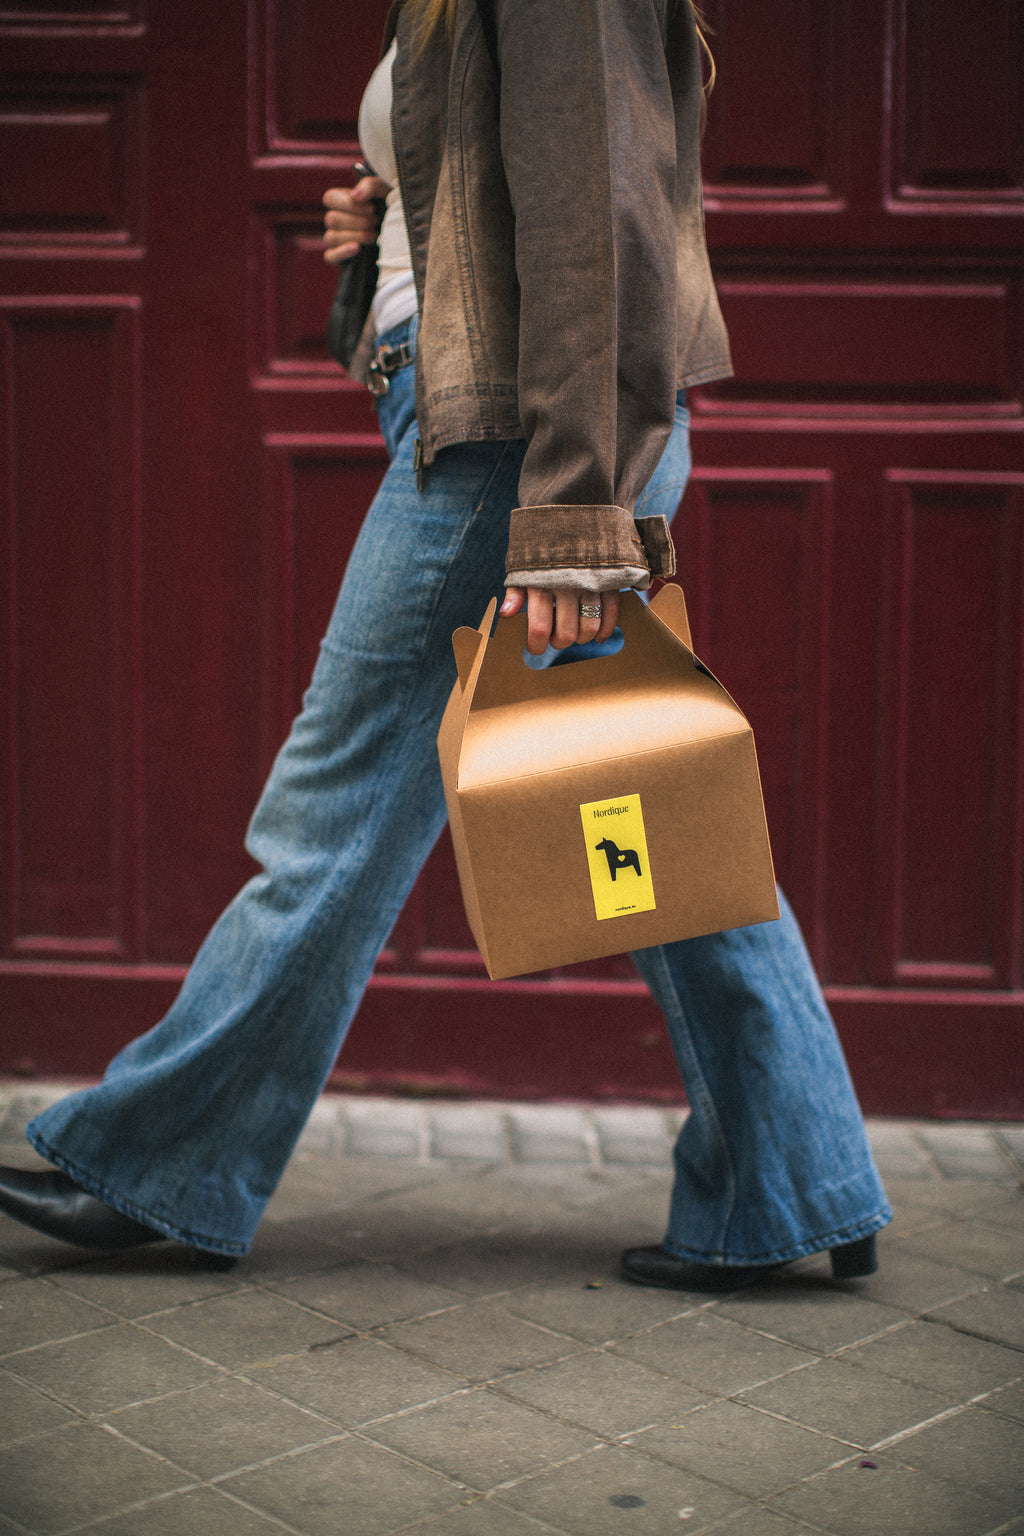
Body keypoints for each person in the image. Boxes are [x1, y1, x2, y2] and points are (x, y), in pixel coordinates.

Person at [0, 0, 889, 1290]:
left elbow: (596, 233)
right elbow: (506, 211)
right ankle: (799, 1182)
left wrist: (572, 516)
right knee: (646, 804)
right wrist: (384, 236)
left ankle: (160, 1162)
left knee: (337, 807)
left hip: (513, 448)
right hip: (503, 423)